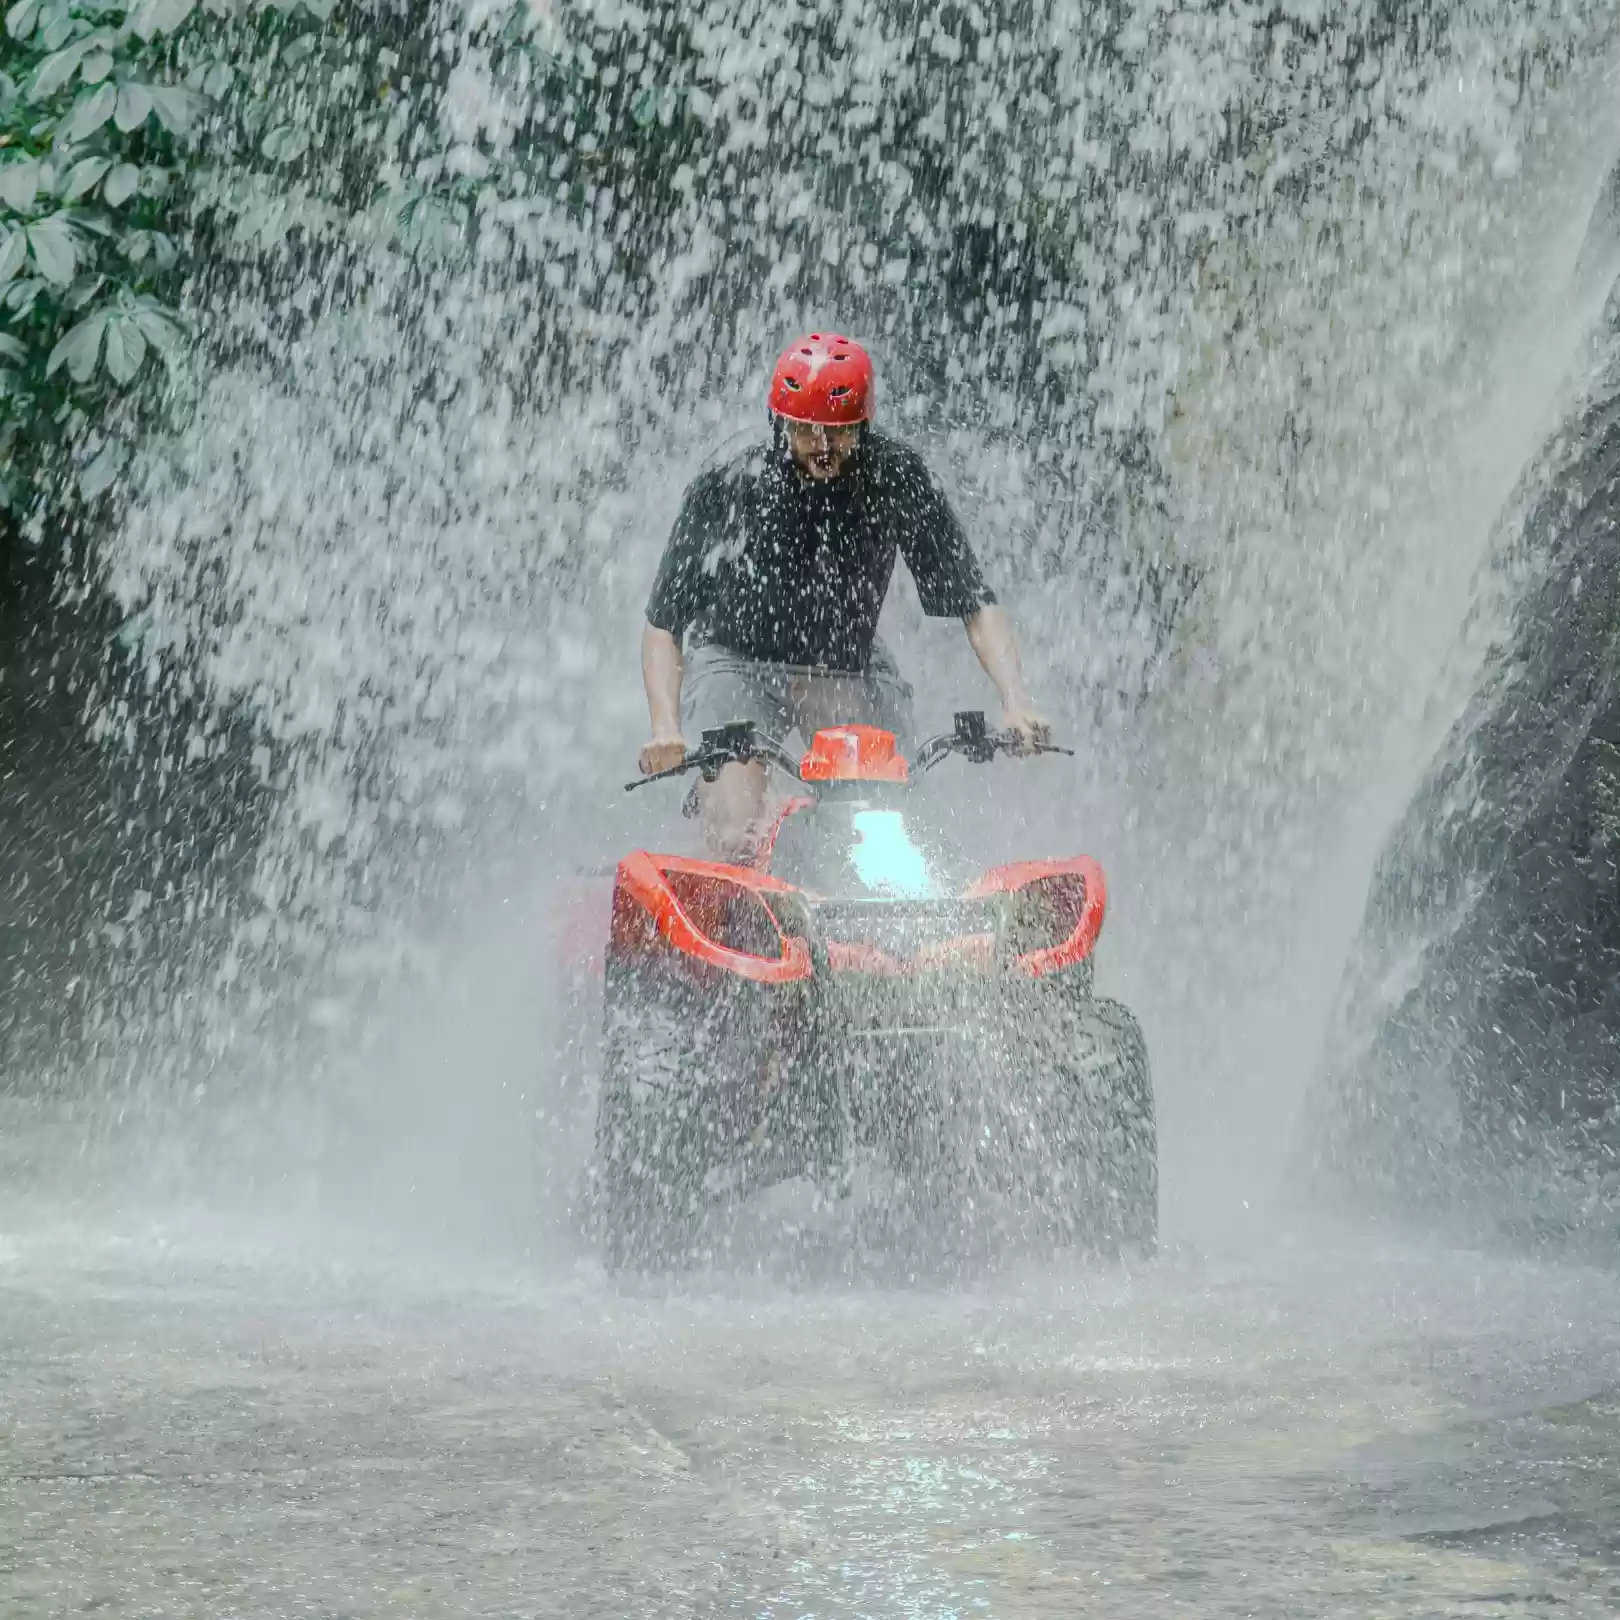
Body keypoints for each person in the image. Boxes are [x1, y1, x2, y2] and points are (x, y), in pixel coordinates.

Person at [638, 331, 1050, 858]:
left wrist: (1017, 703)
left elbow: (976, 605)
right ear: (780, 424)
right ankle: (735, 866)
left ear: (862, 425)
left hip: (843, 665)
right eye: (806, 431)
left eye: (838, 432)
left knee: (881, 811)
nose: (823, 446)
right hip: (737, 662)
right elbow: (663, 624)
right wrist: (665, 729)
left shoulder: (898, 478)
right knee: (736, 831)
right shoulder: (731, 482)